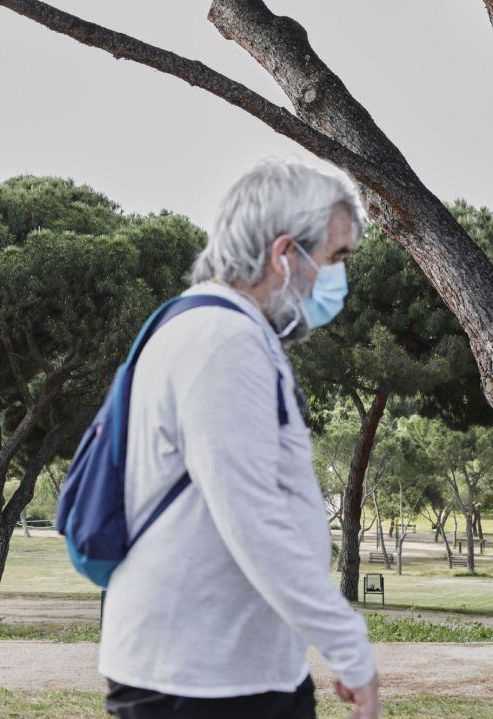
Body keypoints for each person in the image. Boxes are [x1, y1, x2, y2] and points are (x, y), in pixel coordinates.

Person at [99, 160, 380, 719]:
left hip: (235, 669)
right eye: (334, 258)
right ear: (285, 255)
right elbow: (253, 517)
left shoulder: (229, 329)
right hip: (197, 680)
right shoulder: (221, 342)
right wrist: (348, 647)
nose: (337, 278)